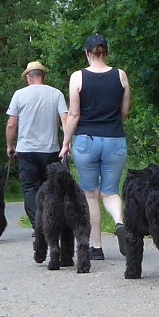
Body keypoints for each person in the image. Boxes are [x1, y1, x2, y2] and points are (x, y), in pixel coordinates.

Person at [59, 35, 131, 261]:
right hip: (114, 140)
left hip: (86, 141)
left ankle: (96, 247)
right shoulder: (120, 75)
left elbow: (74, 114)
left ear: (87, 53)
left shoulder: (78, 77)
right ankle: (119, 223)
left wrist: (65, 143)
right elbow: (124, 111)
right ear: (106, 52)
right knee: (110, 192)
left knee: (90, 194)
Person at [6, 61, 68, 232]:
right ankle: (52, 223)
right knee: (51, 188)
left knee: (30, 188)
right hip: (50, 150)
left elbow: (11, 124)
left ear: (28, 77)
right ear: (43, 76)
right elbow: (65, 118)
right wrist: (67, 143)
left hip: (26, 150)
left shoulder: (19, 95)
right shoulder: (56, 93)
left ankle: (38, 225)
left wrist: (10, 145)